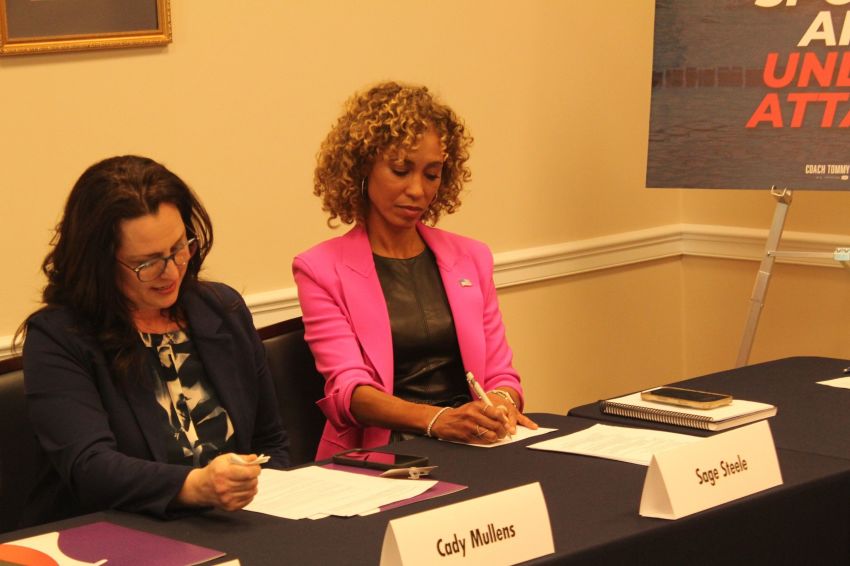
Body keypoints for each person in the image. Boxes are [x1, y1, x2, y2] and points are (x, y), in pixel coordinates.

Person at [16, 155, 289, 526]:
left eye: (179, 247)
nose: (172, 270)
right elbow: (91, 468)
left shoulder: (221, 309)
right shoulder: (59, 338)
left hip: (235, 527)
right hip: (118, 535)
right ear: (99, 263)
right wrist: (196, 486)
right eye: (147, 263)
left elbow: (270, 442)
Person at [294, 81, 537, 460]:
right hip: (383, 457)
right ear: (362, 167)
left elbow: (502, 375)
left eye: (431, 173)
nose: (417, 190)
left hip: (476, 443)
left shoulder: (472, 257)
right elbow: (349, 392)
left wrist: (503, 403)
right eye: (401, 169)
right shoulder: (320, 269)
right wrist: (438, 420)